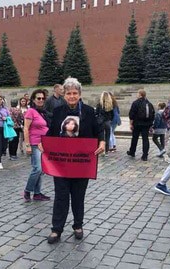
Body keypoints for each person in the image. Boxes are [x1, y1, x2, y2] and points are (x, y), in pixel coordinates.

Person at [42, 77, 105, 244]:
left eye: (74, 93)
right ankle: (56, 229)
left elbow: (98, 130)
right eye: (68, 93)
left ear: (80, 94)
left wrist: (103, 142)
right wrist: (43, 144)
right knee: (61, 196)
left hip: (81, 163)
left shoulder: (89, 111)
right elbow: (52, 132)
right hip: (62, 163)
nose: (71, 96)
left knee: (78, 196)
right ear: (64, 95)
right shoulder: (58, 111)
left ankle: (78, 225)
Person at [23, 89, 50, 202]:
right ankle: (27, 191)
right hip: (34, 143)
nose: (41, 100)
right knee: (37, 168)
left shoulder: (42, 112)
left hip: (43, 144)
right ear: (33, 99)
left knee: (42, 169)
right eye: (38, 98)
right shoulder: (31, 111)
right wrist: (27, 145)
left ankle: (37, 193)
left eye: (43, 98)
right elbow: (26, 128)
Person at [127, 89, 155, 161]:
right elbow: (153, 114)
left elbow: (131, 114)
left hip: (137, 123)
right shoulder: (149, 103)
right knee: (145, 139)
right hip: (146, 124)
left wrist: (131, 123)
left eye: (137, 94)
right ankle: (145, 155)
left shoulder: (135, 103)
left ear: (140, 95)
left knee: (134, 138)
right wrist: (150, 124)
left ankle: (132, 151)